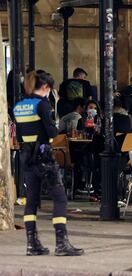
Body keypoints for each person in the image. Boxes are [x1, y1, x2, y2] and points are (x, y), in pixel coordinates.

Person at [13, 70, 83, 256]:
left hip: (26, 157)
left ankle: (31, 244)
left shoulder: (18, 106)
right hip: (44, 156)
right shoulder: (42, 105)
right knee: (60, 198)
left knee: (32, 200)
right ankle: (61, 244)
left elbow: (19, 135)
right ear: (45, 87)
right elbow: (52, 132)